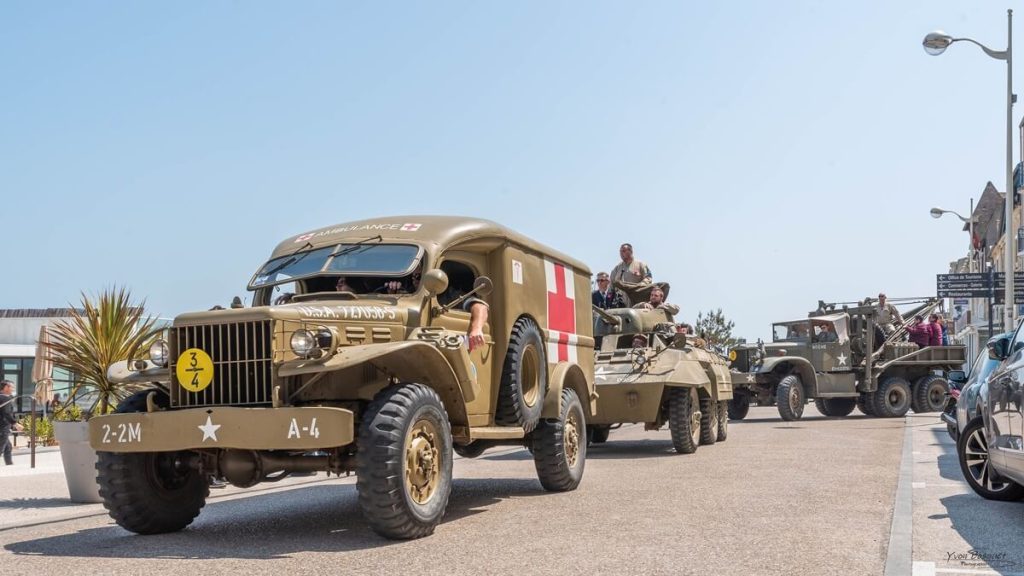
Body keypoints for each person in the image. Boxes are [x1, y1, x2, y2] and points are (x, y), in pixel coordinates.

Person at [0, 380, 23, 466]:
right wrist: (15, 424)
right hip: (3, 427)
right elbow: (6, 413)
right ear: (6, 387)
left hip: (2, 427)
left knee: (8, 447)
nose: (13, 389)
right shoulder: (5, 398)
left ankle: (9, 465)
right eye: (12, 387)